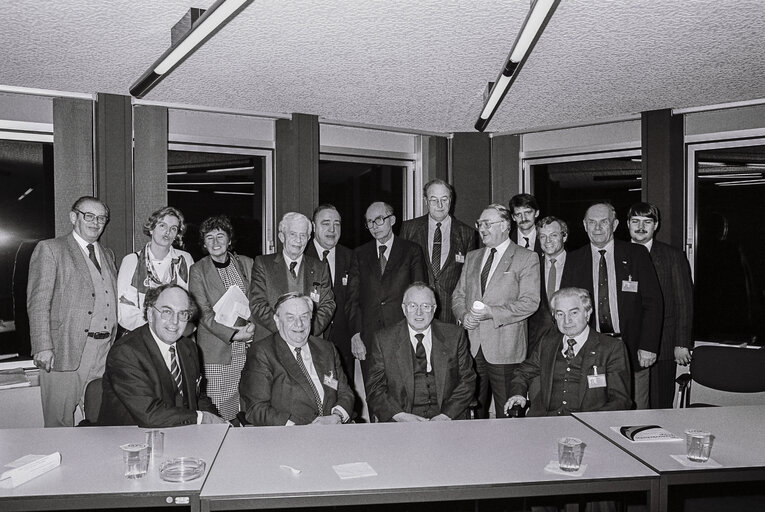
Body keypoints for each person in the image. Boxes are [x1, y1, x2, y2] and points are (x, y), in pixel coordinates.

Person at [560, 202, 663, 409]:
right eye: (592, 222)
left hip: (631, 347)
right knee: (594, 409)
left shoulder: (637, 254)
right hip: (590, 348)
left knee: (636, 410)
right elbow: (566, 307)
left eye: (603, 222)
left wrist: (648, 346)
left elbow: (654, 304)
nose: (597, 228)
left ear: (614, 225)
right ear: (584, 225)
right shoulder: (573, 259)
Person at [27, 196, 118, 427]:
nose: (96, 222)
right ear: (73, 217)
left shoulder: (107, 254)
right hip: (64, 350)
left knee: (100, 421)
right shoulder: (50, 249)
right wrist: (42, 346)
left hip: (103, 352)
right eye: (89, 216)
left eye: (101, 218)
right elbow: (38, 302)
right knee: (59, 423)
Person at [452, 203, 540, 418]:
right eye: (480, 223)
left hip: (506, 350)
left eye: (487, 224)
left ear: (505, 225)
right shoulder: (472, 257)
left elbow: (530, 302)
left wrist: (493, 313)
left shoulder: (526, 257)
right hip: (472, 349)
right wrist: (463, 316)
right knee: (473, 411)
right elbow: (458, 295)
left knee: (507, 412)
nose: (482, 228)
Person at [99, 284, 226, 427]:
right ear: (150, 314)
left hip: (180, 434)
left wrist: (219, 424)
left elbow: (198, 397)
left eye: (182, 313)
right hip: (130, 440)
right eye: (167, 312)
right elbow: (149, 414)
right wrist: (202, 418)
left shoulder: (188, 348)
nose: (175, 321)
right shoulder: (126, 352)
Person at [504, 287, 631, 416]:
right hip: (547, 422)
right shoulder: (547, 343)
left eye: (574, 313)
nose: (567, 320)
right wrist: (517, 394)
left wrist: (592, 422)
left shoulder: (611, 348)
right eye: (560, 314)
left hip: (589, 424)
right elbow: (522, 372)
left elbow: (620, 400)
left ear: (588, 312)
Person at [239, 292, 355, 426]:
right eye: (290, 318)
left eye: (304, 317)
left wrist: (337, 416)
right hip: (290, 437)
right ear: (277, 321)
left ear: (311, 318)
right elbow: (256, 409)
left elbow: (345, 393)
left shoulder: (326, 348)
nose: (299, 324)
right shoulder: (262, 352)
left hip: (332, 429)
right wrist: (298, 430)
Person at [365, 282, 475, 422]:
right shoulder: (384, 340)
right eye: (412, 306)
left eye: (425, 306)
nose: (419, 312)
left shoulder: (454, 335)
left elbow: (468, 381)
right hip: (402, 417)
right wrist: (400, 416)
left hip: (447, 417)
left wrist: (445, 416)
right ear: (404, 309)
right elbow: (375, 388)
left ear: (434, 309)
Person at [188, 215, 261, 421]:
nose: (216, 242)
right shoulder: (198, 270)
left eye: (220, 236)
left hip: (248, 345)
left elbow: (258, 301)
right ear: (203, 243)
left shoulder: (247, 263)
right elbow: (202, 312)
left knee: (246, 401)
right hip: (217, 349)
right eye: (209, 238)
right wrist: (232, 335)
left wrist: (252, 329)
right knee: (219, 408)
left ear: (229, 240)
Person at [347, 201, 427, 379]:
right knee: (374, 396)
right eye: (369, 222)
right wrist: (355, 334)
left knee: (403, 392)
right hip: (369, 338)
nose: (374, 226)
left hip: (403, 334)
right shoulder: (360, 254)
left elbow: (420, 295)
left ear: (392, 220)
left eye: (379, 219)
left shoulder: (411, 251)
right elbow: (353, 299)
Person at [627, 202, 693, 408]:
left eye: (647, 222)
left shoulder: (672, 256)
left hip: (663, 345)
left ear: (656, 225)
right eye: (635, 221)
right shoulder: (619, 254)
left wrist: (681, 342)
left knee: (659, 406)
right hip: (626, 345)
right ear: (627, 224)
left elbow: (684, 301)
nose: (641, 227)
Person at [399, 179, 478, 324]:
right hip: (417, 311)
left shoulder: (466, 233)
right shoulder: (409, 229)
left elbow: (470, 279)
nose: (439, 205)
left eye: (444, 199)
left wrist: (463, 312)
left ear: (451, 201)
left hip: (451, 312)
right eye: (434, 200)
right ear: (425, 201)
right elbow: (401, 273)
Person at [250, 212, 335, 336]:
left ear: (309, 238)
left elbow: (328, 305)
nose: (298, 240)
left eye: (303, 235)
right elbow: (257, 304)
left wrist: (307, 332)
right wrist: (286, 332)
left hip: (309, 341)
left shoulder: (320, 268)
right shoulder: (263, 264)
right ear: (281, 237)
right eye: (293, 234)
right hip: (273, 341)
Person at [117, 206, 194, 332]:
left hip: (176, 332)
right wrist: (154, 330)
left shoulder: (185, 259)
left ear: (177, 234)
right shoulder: (132, 260)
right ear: (152, 228)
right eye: (162, 226)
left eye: (173, 228)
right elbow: (124, 307)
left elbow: (190, 302)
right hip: (141, 333)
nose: (167, 232)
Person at [305, 204, 355, 382]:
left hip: (343, 344)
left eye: (337, 224)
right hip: (310, 340)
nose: (332, 229)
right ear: (313, 226)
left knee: (342, 396)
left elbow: (355, 301)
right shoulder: (302, 256)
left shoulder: (351, 257)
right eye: (325, 223)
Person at [527, 216, 570, 353]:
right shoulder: (531, 266)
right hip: (538, 343)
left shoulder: (579, 263)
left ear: (564, 237)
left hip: (570, 339)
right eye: (543, 236)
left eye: (553, 235)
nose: (548, 241)